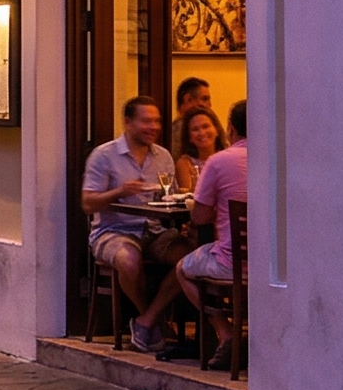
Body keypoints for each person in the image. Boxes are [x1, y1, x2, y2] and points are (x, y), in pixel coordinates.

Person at [133, 98, 246, 363]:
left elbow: (200, 216)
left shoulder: (218, 162)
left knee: (184, 268)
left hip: (231, 262)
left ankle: (226, 334)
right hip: (271, 265)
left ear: (229, 129)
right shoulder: (274, 158)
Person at [81, 97, 175, 335]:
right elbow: (87, 204)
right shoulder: (104, 155)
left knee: (190, 260)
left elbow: (169, 197)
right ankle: (151, 321)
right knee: (129, 261)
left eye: (157, 121)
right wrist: (120, 191)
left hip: (154, 230)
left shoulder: (163, 156)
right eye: (146, 121)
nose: (153, 127)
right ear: (128, 123)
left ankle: (147, 321)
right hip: (113, 231)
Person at [174, 101, 222, 195]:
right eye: (195, 129)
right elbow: (189, 198)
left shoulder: (227, 159)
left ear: (217, 130)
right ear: (189, 137)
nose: (202, 133)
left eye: (206, 126)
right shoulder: (185, 163)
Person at [171, 76, 215, 160]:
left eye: (205, 127)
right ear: (188, 99)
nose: (209, 105)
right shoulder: (178, 130)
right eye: (205, 99)